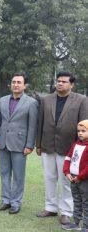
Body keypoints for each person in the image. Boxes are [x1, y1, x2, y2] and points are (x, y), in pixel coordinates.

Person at [36, 72, 88, 224]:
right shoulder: (46, 99)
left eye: (64, 82)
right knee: (49, 178)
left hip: (69, 148)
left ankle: (66, 211)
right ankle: (50, 208)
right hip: (47, 145)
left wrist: (82, 146)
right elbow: (41, 122)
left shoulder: (81, 100)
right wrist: (38, 144)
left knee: (66, 181)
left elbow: (85, 124)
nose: (60, 84)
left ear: (72, 84)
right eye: (58, 81)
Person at [0, 73, 39, 214]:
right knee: (4, 173)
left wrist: (30, 145)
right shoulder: (3, 100)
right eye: (13, 82)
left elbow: (33, 125)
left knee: (18, 175)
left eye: (19, 82)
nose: (16, 84)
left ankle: (16, 202)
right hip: (3, 142)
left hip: (20, 144)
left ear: (25, 85)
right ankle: (6, 200)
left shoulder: (31, 102)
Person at [62, 120, 88, 231]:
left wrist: (80, 177)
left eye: (83, 131)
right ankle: (76, 223)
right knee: (76, 200)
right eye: (78, 131)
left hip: (83, 180)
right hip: (73, 178)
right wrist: (67, 172)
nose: (80, 133)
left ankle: (86, 226)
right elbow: (68, 158)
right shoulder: (75, 144)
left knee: (86, 202)